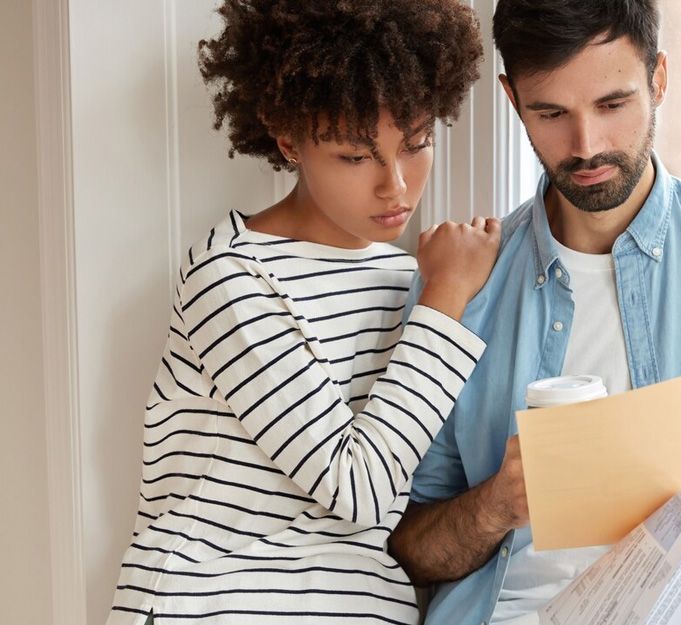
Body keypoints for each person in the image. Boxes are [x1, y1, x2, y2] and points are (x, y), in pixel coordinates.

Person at [387, 1, 681, 623]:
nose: (586, 146)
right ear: (512, 100)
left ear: (658, 79)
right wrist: (492, 508)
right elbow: (407, 547)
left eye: (612, 105)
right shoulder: (462, 286)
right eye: (551, 113)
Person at [106, 1, 498, 623]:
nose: (395, 185)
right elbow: (358, 488)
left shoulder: (414, 283)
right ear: (288, 137)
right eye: (354, 155)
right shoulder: (232, 277)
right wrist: (446, 297)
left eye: (417, 143)